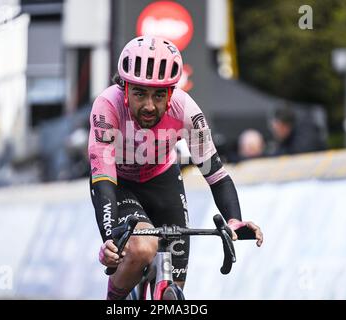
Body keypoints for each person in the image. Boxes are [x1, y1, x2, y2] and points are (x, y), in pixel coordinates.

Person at [88, 36, 263, 300]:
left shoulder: (186, 110)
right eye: (139, 93)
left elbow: (216, 175)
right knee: (142, 248)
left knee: (174, 290)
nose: (149, 105)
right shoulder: (107, 105)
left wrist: (234, 220)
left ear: (171, 93)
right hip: (118, 184)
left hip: (162, 181)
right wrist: (110, 239)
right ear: (124, 89)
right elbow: (103, 179)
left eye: (159, 95)